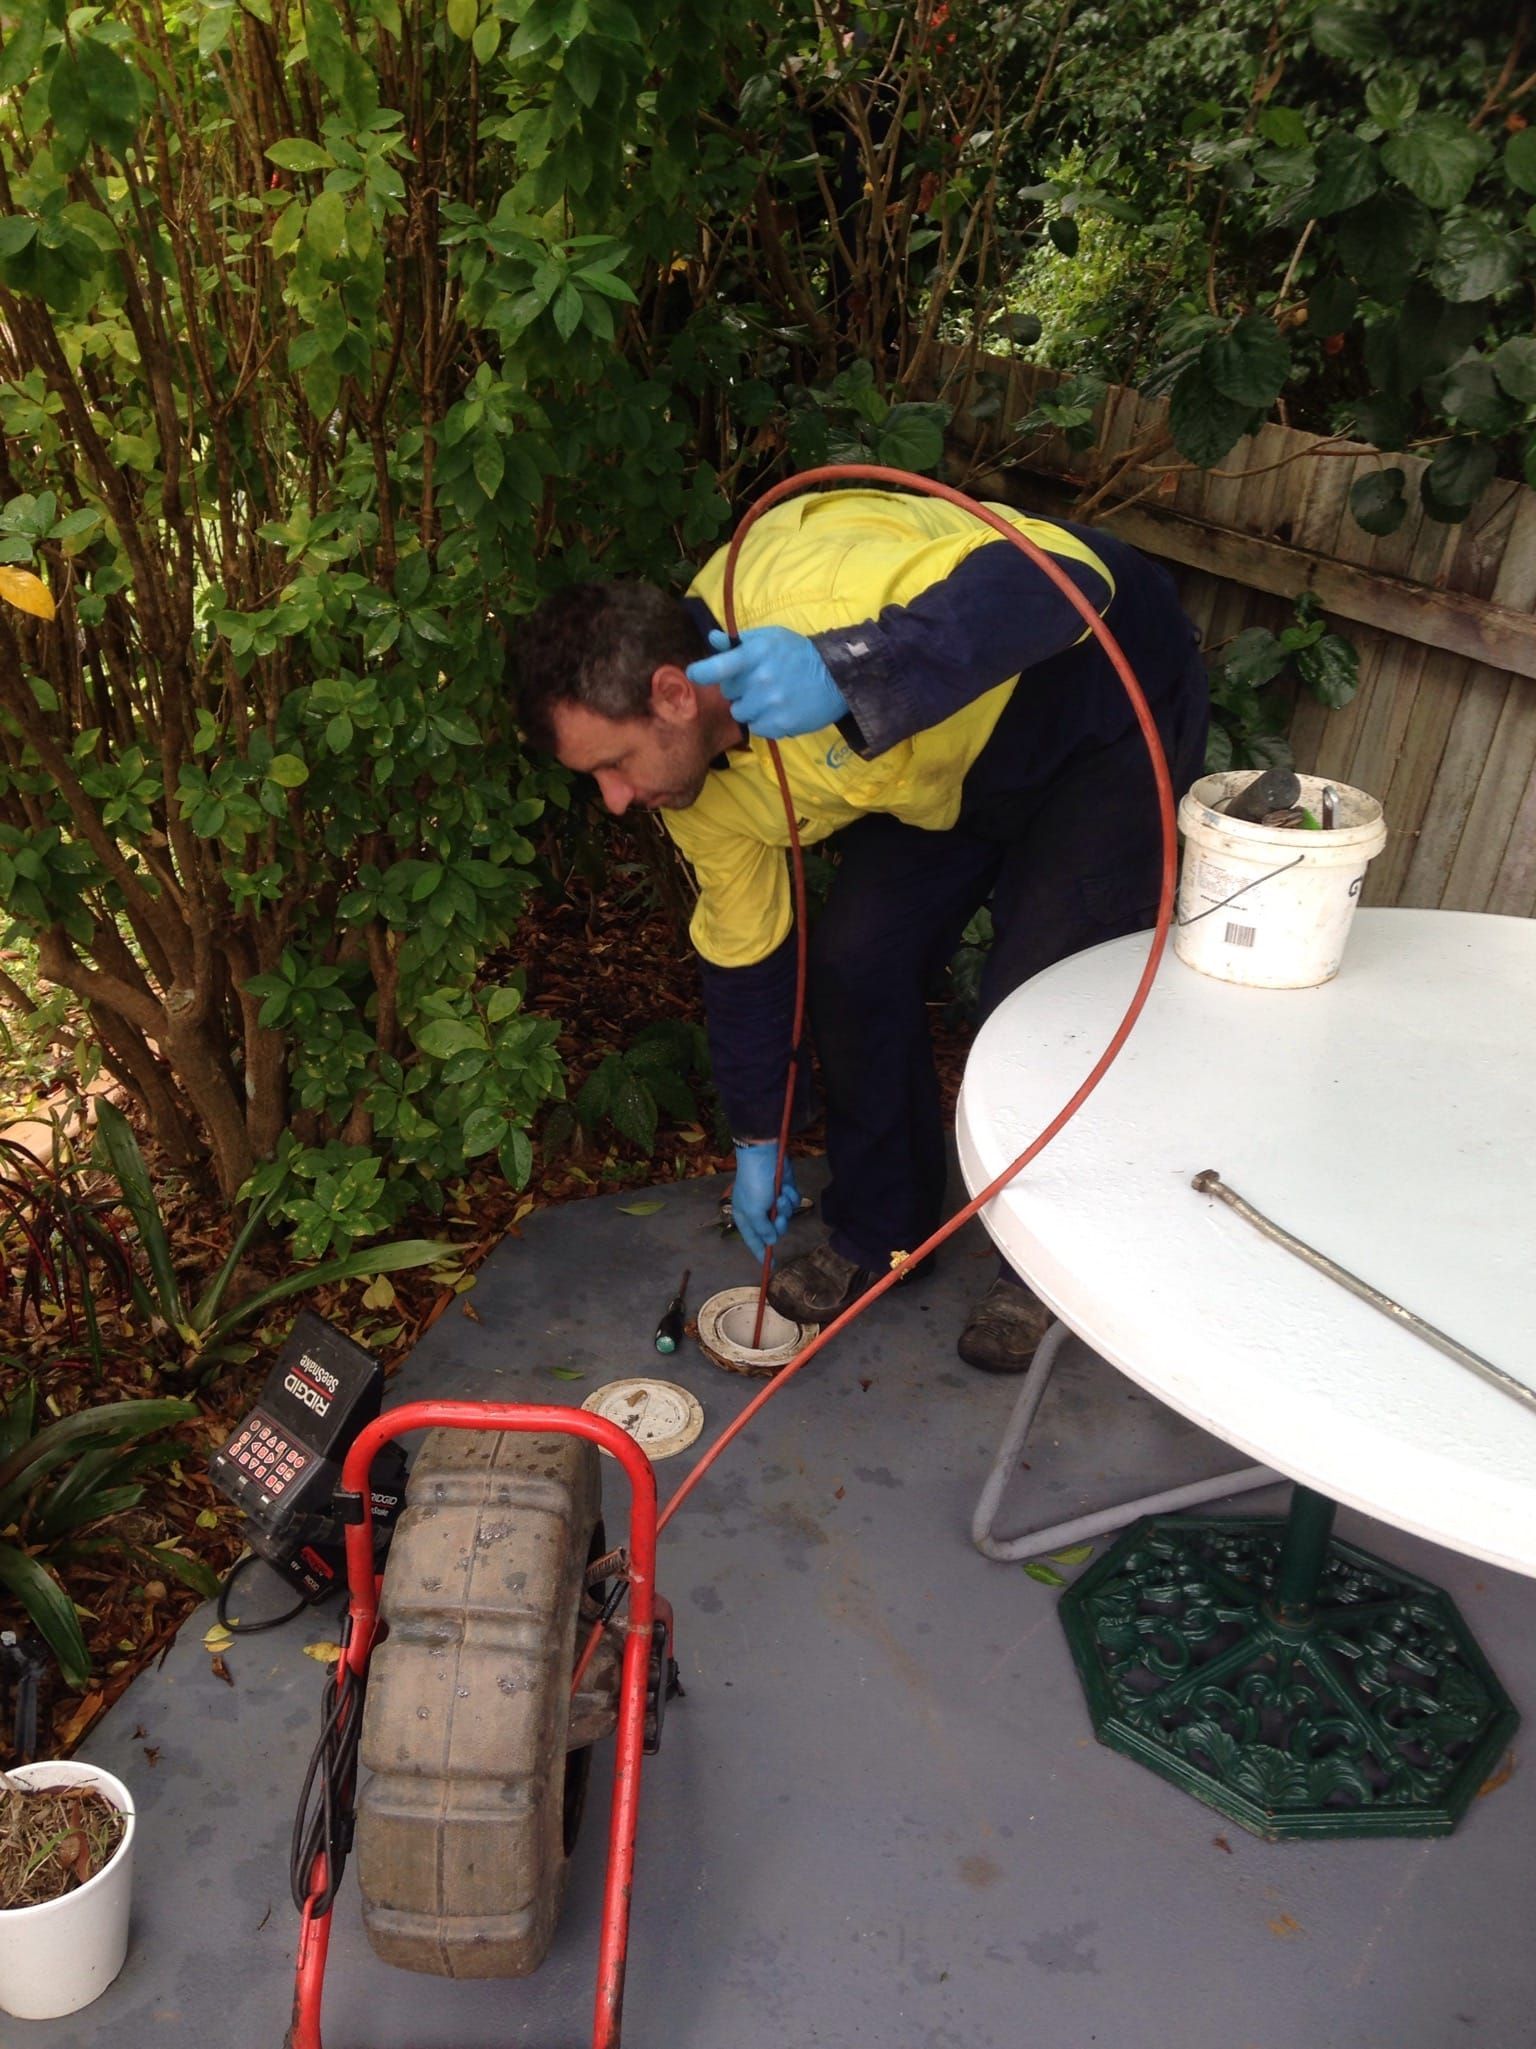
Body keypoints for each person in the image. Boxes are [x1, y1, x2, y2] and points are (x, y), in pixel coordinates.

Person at [518, 487, 1208, 1371]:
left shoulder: (814, 590)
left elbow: (1068, 579)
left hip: (1095, 702)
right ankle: (884, 1228)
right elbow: (746, 956)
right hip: (935, 767)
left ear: (672, 696)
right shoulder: (690, 789)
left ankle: (1039, 1267)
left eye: (613, 764)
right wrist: (756, 1138)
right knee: (854, 961)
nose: (615, 801)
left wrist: (853, 665)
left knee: (1038, 1004)